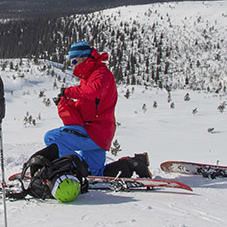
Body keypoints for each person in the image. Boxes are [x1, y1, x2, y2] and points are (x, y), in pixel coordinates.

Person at [45, 41, 150, 181]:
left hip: (95, 131)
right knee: (94, 174)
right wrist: (65, 105)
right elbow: (83, 110)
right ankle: (134, 164)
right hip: (99, 133)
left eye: (75, 60)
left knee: (52, 138)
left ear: (84, 57)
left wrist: (69, 92)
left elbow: (94, 91)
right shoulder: (88, 78)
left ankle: (75, 169)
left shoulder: (101, 74)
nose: (74, 65)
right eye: (71, 62)